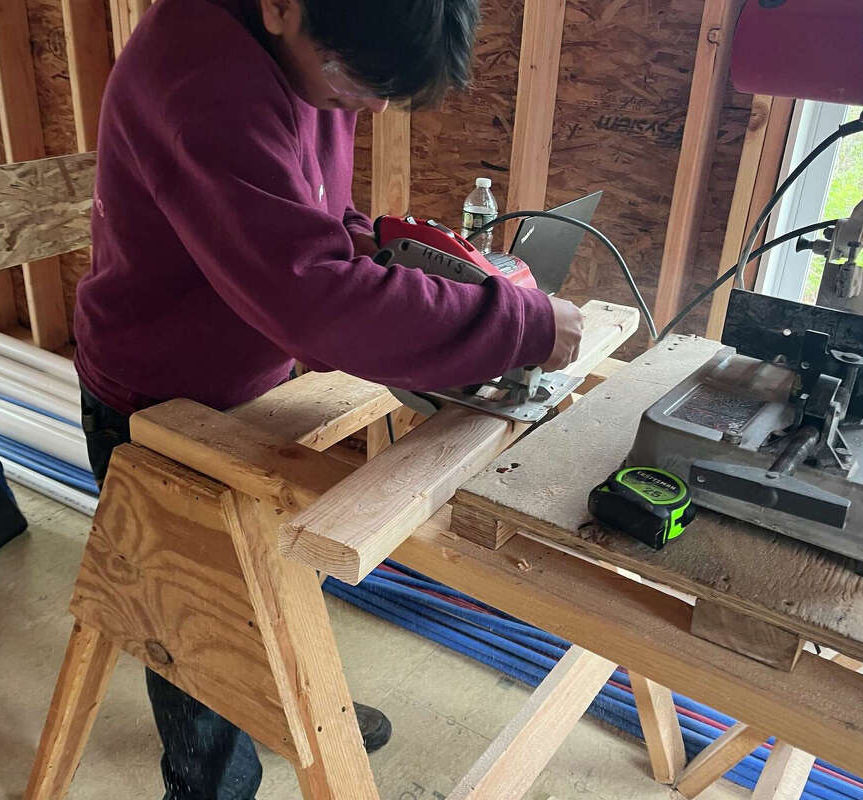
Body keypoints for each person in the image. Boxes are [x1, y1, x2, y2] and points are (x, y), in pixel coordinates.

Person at [72, 0, 584, 796]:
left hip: (248, 371)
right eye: (359, 81)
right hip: (158, 396)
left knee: (268, 582)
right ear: (281, 6)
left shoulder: (317, 43)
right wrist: (517, 324)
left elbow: (302, 213)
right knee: (200, 645)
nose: (373, 107)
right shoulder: (199, 75)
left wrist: (375, 247)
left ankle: (288, 698)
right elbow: (308, 297)